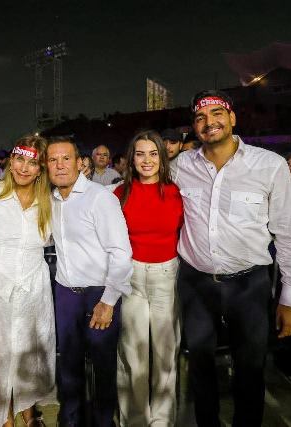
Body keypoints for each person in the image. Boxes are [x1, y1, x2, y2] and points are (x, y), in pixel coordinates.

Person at [172, 90, 291, 426]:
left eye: (217, 113)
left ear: (232, 118)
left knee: (250, 367)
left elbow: (289, 233)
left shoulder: (269, 165)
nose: (209, 122)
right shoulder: (180, 167)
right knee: (200, 367)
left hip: (249, 284)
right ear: (194, 126)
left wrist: (290, 296)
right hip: (196, 283)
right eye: (200, 117)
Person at [47, 136, 133, 426]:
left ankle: (103, 422)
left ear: (79, 162)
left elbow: (121, 253)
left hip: (99, 293)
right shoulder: (51, 200)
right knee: (68, 365)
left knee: (103, 366)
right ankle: (71, 420)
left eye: (66, 158)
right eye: (53, 160)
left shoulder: (100, 198)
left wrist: (108, 301)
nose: (60, 165)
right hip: (65, 293)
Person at [0, 135, 54, 427]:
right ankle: (3, 418)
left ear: (40, 168)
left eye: (32, 163)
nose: (24, 168)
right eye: (19, 159)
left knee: (29, 350)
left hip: (33, 284)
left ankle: (29, 414)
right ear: (11, 161)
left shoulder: (50, 201)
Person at [113, 130, 183, 426]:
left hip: (167, 274)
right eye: (140, 154)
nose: (147, 160)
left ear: (162, 157)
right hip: (131, 277)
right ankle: (135, 420)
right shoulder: (118, 194)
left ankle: (162, 421)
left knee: (166, 353)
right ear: (131, 159)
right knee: (133, 354)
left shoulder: (177, 192)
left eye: (153, 154)